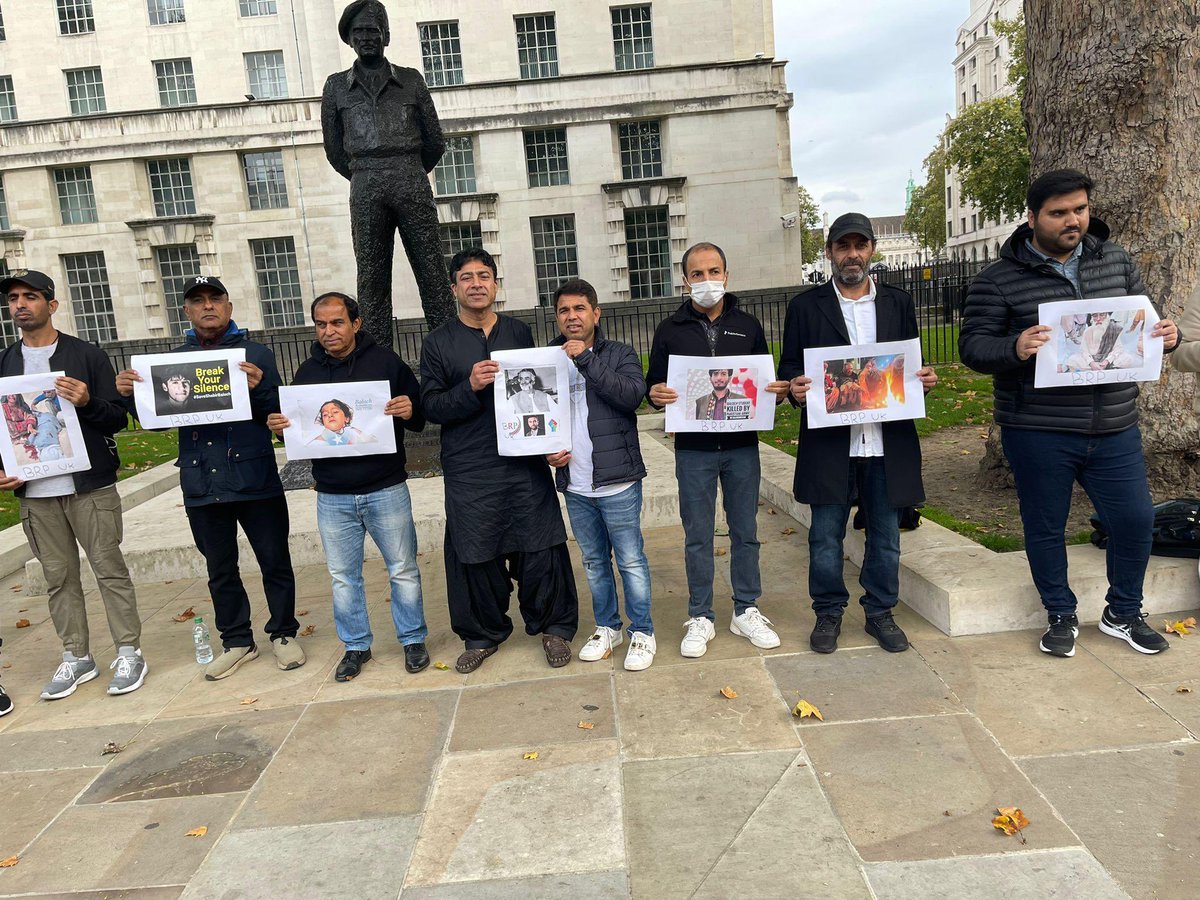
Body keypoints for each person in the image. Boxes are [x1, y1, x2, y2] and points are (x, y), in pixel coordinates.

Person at [959, 169, 1179, 657]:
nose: (1073, 220)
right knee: (1045, 525)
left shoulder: (1116, 260)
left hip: (1115, 423)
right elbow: (973, 348)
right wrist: (1014, 346)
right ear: (1033, 217)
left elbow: (1147, 321)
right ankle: (1059, 613)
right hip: (1038, 427)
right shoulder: (997, 280)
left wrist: (1169, 336)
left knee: (1135, 520)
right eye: (1059, 213)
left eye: (1080, 209)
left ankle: (1124, 612)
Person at [116, 275, 304, 679]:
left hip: (254, 475)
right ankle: (237, 640)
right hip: (202, 481)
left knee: (274, 559)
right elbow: (153, 426)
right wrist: (131, 397)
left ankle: (284, 633)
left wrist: (258, 390)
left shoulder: (256, 354)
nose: (207, 307)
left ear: (229, 306)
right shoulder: (171, 363)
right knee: (220, 568)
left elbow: (278, 414)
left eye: (215, 299)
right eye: (197, 301)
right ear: (186, 310)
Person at [778, 213, 938, 654]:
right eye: (842, 246)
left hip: (886, 440)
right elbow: (791, 368)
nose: (852, 254)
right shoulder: (805, 307)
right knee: (825, 535)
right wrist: (794, 386)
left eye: (860, 245)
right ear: (829, 252)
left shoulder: (897, 303)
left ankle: (879, 611)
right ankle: (828, 611)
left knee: (885, 534)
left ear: (871, 250)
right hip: (831, 442)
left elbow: (908, 364)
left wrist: (922, 379)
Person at [419, 248, 578, 673]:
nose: (476, 283)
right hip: (470, 465)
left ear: (495, 284)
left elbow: (543, 396)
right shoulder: (438, 343)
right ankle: (482, 634)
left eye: (484, 275)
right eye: (466, 277)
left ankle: (554, 627)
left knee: (540, 544)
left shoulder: (519, 332)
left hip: (524, 462)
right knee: (476, 551)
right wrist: (469, 385)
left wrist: (550, 442)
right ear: (454, 288)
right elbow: (430, 406)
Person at [0, 270, 148, 700]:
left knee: (109, 570)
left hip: (89, 488)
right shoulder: (5, 363)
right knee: (58, 578)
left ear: (52, 304)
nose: (20, 305)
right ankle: (76, 656)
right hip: (35, 495)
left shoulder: (86, 355)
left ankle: (128, 650)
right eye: (13, 299)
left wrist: (86, 402)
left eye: (30, 296)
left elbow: (118, 418)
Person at [269, 291, 429, 681]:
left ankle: (412, 639)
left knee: (403, 569)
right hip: (332, 496)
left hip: (386, 487)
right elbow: (299, 433)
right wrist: (280, 429)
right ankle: (356, 647)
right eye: (321, 324)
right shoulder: (306, 374)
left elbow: (420, 415)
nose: (329, 331)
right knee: (343, 576)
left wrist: (410, 408)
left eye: (337, 322)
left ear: (355, 324)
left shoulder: (387, 363)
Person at [645, 242, 791, 658]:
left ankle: (746, 609)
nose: (706, 280)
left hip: (742, 446)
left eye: (713, 271)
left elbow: (766, 380)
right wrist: (654, 394)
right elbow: (654, 386)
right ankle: (701, 615)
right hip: (693, 450)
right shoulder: (670, 329)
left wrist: (775, 392)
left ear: (726, 276)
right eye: (697, 273)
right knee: (697, 534)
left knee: (746, 530)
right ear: (685, 280)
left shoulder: (748, 325)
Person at [321, 0, 452, 337]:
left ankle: (450, 351)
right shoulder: (335, 87)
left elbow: (434, 140)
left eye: (373, 30)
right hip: (365, 184)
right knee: (371, 277)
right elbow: (335, 150)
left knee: (432, 271)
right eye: (358, 31)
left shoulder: (411, 80)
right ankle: (377, 359)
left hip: (410, 176)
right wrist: (366, 173)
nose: (366, 37)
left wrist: (406, 168)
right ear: (349, 39)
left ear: (386, 36)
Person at [546, 279, 655, 671]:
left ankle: (642, 631)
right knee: (593, 561)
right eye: (563, 310)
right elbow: (538, 417)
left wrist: (586, 360)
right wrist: (547, 450)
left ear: (596, 313)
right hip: (575, 483)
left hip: (619, 482)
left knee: (630, 561)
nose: (571, 317)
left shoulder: (620, 354)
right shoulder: (549, 361)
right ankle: (609, 627)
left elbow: (630, 396)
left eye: (579, 309)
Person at [308, 399, 377, 446]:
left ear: (346, 418)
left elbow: (374, 442)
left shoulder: (354, 433)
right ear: (323, 422)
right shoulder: (317, 443)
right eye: (325, 414)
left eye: (335, 412)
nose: (330, 415)